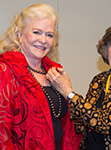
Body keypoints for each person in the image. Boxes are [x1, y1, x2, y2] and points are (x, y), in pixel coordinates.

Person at [47, 20, 111, 149]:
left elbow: (108, 123)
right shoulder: (99, 80)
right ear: (106, 50)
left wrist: (69, 93)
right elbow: (84, 119)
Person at [0, 3, 82, 150]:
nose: (43, 40)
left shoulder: (55, 72)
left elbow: (70, 124)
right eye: (37, 32)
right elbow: (2, 132)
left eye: (49, 35)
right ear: (19, 34)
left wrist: (68, 91)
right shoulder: (5, 70)